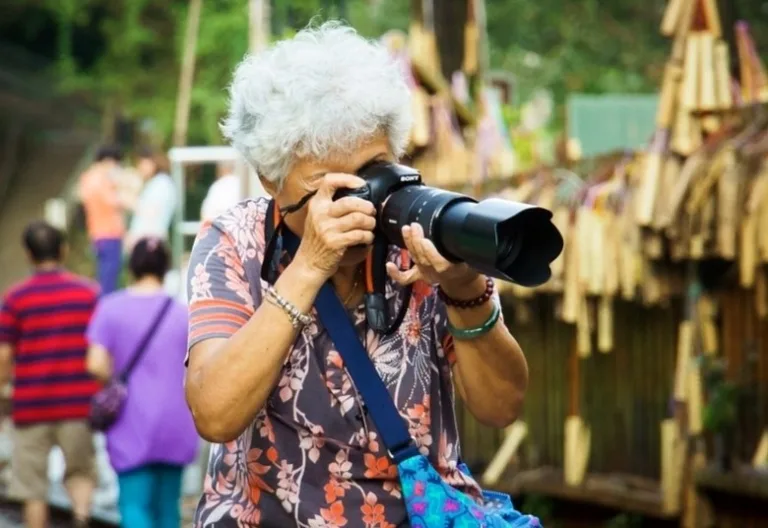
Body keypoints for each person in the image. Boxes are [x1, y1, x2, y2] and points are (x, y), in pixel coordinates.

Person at [184, 22, 530, 527]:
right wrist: (308, 267)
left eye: (371, 173)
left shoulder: (421, 230)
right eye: (332, 187)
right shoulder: (238, 242)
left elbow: (502, 408)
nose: (361, 205)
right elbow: (214, 413)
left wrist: (463, 287)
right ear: (271, 180)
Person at [86, 237, 198, 528]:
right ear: (165, 268)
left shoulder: (110, 308)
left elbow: (95, 363)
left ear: (131, 267)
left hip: (131, 421)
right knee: (168, 509)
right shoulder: (184, 314)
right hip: (178, 421)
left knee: (135, 506)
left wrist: (116, 377)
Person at [0, 221, 100, 528]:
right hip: (78, 404)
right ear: (64, 250)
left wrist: (3, 391)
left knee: (32, 488)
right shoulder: (89, 294)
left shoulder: (15, 299)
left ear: (29, 254)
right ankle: (81, 520)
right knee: (80, 473)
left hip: (31, 405)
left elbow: (4, 356)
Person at [79, 144, 127, 295]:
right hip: (109, 234)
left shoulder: (87, 178)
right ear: (108, 161)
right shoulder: (99, 179)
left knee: (105, 277)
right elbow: (113, 201)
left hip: (98, 233)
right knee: (109, 282)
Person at [125, 147, 177, 251]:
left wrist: (129, 201)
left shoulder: (161, 183)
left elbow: (151, 213)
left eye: (142, 163)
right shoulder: (156, 183)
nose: (140, 167)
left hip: (150, 242)